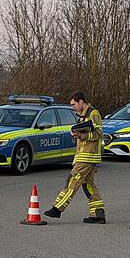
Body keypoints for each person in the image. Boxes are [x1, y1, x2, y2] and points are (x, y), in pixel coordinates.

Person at [44, 91, 106, 224]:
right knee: (88, 185)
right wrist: (77, 134)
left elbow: (98, 133)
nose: (73, 108)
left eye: (74, 105)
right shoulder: (82, 116)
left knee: (72, 180)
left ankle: (57, 209)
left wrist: (81, 136)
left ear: (81, 102)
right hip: (83, 155)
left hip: (88, 156)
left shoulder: (93, 114)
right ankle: (98, 214)